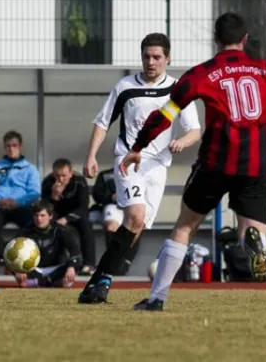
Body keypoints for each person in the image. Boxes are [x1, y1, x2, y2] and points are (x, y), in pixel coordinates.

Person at [120, 12, 266, 311]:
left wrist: (138, 145)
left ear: (216, 40)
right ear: (244, 39)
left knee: (185, 226)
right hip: (258, 165)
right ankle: (253, 241)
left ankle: (157, 298)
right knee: (249, 232)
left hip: (216, 163)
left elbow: (166, 114)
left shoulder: (201, 74)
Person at [78, 32, 202, 304]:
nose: (151, 62)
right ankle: (101, 283)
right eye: (146, 56)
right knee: (135, 216)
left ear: (167, 58)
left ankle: (97, 283)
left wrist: (182, 141)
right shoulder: (125, 86)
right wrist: (91, 156)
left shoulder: (178, 89)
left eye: (157, 57)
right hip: (128, 160)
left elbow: (195, 130)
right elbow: (103, 121)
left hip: (157, 167)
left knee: (137, 226)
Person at [0, 130, 41, 261]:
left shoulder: (30, 168)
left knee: (34, 224)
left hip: (22, 207)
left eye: (14, 145)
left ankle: (15, 255)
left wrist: (18, 202)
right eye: (8, 146)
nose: (11, 149)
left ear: (20, 146)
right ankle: (4, 257)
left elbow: (35, 193)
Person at [11, 200, 83, 288]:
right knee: (13, 264)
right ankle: (51, 283)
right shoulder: (25, 232)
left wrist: (71, 267)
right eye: (36, 215)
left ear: (50, 216)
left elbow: (75, 249)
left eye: (42, 215)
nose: (39, 219)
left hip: (56, 268)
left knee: (75, 265)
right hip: (34, 270)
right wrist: (18, 270)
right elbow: (12, 252)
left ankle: (37, 283)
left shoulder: (61, 230)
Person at [41, 158, 95, 275]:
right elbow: (44, 207)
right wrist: (54, 196)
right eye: (57, 175)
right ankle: (54, 263)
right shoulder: (48, 182)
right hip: (56, 213)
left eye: (64, 176)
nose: (60, 179)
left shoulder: (79, 182)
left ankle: (89, 264)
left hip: (75, 214)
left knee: (85, 224)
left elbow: (83, 207)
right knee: (48, 224)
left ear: (70, 173)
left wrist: (67, 219)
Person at [90, 167, 140, 275]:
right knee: (111, 226)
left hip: (134, 207)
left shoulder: (139, 172)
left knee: (137, 224)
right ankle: (112, 261)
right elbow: (97, 194)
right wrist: (111, 197)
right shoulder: (106, 174)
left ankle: (125, 261)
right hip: (114, 206)